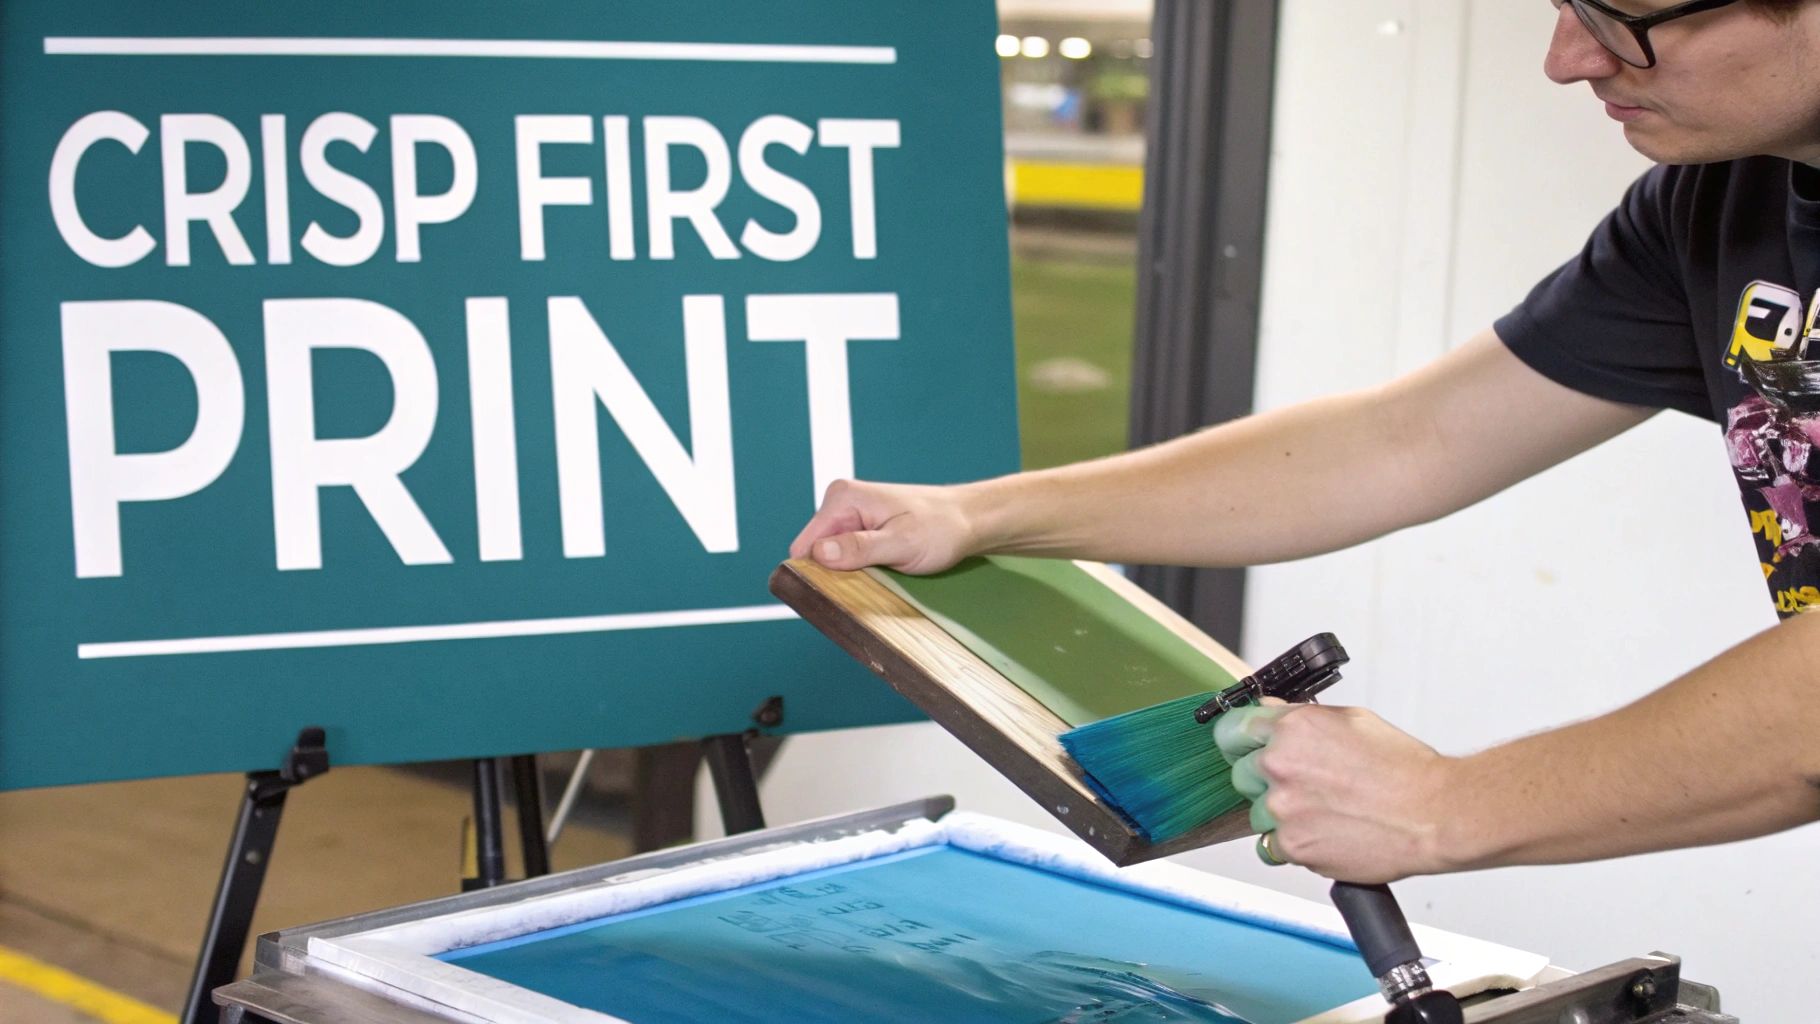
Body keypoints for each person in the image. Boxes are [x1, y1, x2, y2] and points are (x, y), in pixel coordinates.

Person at [789, 0, 1820, 885]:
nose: (1566, 60)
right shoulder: (1719, 201)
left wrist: (1443, 806)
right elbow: (1405, 440)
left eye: (1621, 16)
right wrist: (979, 514)